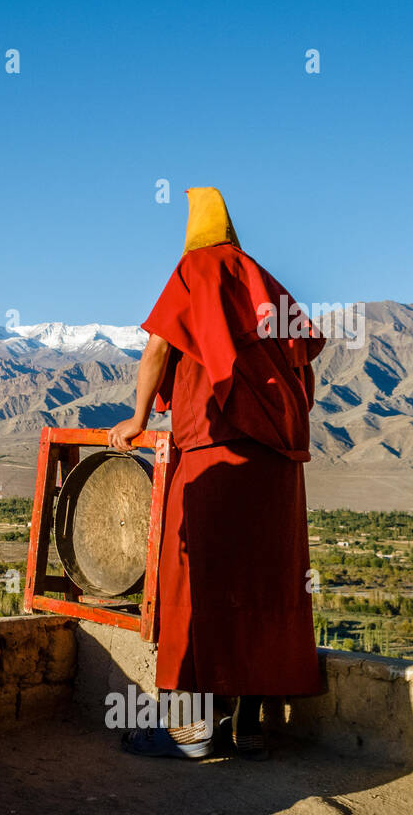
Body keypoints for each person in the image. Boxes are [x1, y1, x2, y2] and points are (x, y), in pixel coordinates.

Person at [108, 188, 326, 761]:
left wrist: (136, 417)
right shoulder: (264, 281)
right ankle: (249, 728)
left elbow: (157, 347)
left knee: (193, 582)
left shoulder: (196, 269)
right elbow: (302, 361)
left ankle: (190, 733)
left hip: (215, 451)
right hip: (277, 464)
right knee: (264, 584)